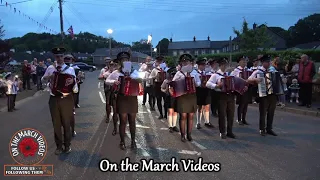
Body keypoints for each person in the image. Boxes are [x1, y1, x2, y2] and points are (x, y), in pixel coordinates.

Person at [42, 47, 78, 154]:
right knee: (56, 123)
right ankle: (59, 146)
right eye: (57, 56)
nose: (60, 58)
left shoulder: (70, 69)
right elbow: (43, 80)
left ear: (64, 56)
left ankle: (67, 145)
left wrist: (72, 84)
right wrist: (49, 79)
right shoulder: (50, 68)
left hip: (66, 99)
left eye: (61, 56)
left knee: (66, 122)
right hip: (54, 98)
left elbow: (75, 86)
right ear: (55, 57)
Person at [105, 52, 142, 150]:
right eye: (123, 60)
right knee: (123, 120)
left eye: (126, 60)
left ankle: (133, 141)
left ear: (129, 61)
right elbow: (107, 81)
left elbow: (141, 79)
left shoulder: (134, 71)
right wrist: (114, 82)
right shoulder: (116, 72)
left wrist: (132, 76)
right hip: (121, 98)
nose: (125, 61)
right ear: (120, 62)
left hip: (132, 98)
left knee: (132, 121)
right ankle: (122, 141)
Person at [206, 57, 241, 139]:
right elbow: (208, 84)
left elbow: (237, 83)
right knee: (222, 115)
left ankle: (230, 131)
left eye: (226, 65)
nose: (225, 66)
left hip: (231, 96)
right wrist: (216, 86)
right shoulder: (215, 75)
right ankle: (222, 132)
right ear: (220, 65)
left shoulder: (231, 75)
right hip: (221, 96)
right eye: (223, 65)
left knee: (231, 114)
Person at [170, 54, 200, 142]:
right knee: (183, 116)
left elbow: (199, 83)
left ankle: (189, 134)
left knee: (190, 116)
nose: (185, 63)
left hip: (191, 96)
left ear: (190, 63)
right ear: (181, 64)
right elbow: (173, 83)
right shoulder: (179, 73)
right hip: (182, 96)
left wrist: (193, 81)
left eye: (187, 62)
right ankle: (183, 135)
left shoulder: (194, 73)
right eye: (183, 62)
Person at [248, 54, 279, 136]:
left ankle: (269, 128)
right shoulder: (258, 71)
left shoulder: (273, 71)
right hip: (263, 94)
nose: (268, 63)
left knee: (271, 112)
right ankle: (262, 129)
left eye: (269, 62)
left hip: (272, 94)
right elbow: (249, 79)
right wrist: (255, 79)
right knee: (263, 112)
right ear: (262, 63)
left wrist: (283, 80)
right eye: (266, 62)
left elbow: (278, 80)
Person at [231, 56, 251, 125]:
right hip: (240, 90)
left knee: (246, 104)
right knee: (241, 104)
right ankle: (239, 119)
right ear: (239, 62)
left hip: (247, 89)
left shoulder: (248, 70)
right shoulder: (236, 71)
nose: (244, 62)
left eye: (245, 61)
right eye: (242, 61)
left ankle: (244, 118)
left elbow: (250, 79)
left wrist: (247, 86)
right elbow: (232, 79)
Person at [194, 58, 214, 129]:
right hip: (199, 90)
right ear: (198, 66)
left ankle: (207, 121)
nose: (203, 66)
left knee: (207, 106)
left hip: (206, 90)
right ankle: (198, 122)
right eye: (202, 65)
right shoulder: (195, 73)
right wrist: (200, 83)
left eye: (204, 65)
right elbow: (196, 83)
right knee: (199, 107)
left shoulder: (207, 73)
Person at [161, 67, 179, 133]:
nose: (173, 76)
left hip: (176, 97)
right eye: (172, 74)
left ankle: (174, 125)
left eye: (174, 74)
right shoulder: (166, 81)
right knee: (170, 112)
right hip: (169, 97)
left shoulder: (177, 81)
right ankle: (170, 126)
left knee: (175, 112)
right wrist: (165, 91)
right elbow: (161, 88)